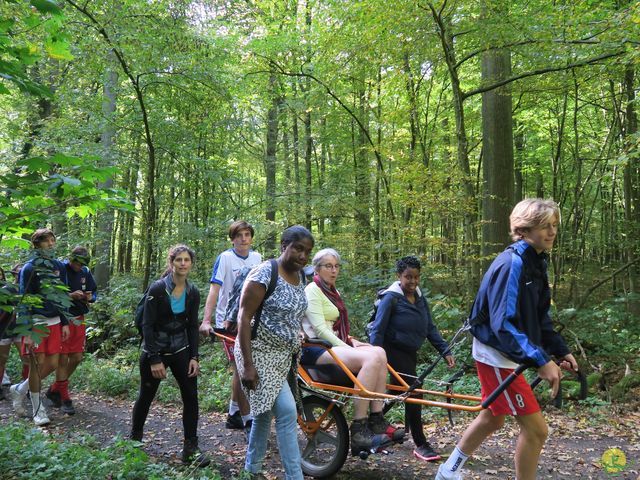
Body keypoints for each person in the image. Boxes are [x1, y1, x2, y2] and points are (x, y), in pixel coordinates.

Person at [435, 198, 578, 480]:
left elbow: (539, 318)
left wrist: (560, 351)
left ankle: (448, 471)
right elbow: (504, 325)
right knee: (537, 431)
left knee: (493, 417)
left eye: (554, 226)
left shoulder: (535, 261)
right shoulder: (512, 263)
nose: (552, 232)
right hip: (496, 352)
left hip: (507, 352)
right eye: (545, 226)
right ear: (523, 229)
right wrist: (541, 360)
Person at [301, 248, 404, 454]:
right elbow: (320, 328)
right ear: (317, 269)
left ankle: (377, 419)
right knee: (370, 359)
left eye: (336, 266)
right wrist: (348, 348)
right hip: (315, 347)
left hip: (332, 343)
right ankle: (358, 427)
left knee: (379, 352)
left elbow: (337, 327)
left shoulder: (332, 291)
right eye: (328, 266)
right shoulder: (312, 289)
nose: (334, 270)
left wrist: (352, 343)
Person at [235, 225, 314, 480]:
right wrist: (247, 365)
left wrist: (298, 331)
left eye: (307, 252)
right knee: (288, 413)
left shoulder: (301, 277)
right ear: (284, 246)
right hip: (257, 353)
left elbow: (291, 312)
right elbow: (244, 317)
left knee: (264, 413)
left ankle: (251, 470)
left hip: (283, 357)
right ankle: (295, 476)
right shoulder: (265, 273)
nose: (303, 256)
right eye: (298, 249)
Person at [130, 244, 210, 467]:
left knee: (191, 397)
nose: (183, 264)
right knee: (146, 396)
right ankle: (134, 441)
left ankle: (191, 449)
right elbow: (147, 324)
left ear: (191, 264)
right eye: (179, 260)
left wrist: (195, 357)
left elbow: (192, 327)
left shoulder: (193, 291)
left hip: (182, 350)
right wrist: (154, 358)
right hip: (155, 351)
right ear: (171, 263)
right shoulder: (157, 289)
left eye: (187, 260)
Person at [369, 255, 455, 462]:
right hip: (390, 352)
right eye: (408, 277)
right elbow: (378, 330)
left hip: (409, 353)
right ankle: (420, 443)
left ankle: (372, 423)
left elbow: (429, 327)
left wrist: (445, 350)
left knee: (398, 392)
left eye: (416, 277)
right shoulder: (391, 298)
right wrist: (375, 358)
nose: (413, 281)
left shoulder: (419, 297)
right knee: (414, 391)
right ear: (399, 276)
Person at [199, 220, 261, 434]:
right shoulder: (225, 259)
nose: (244, 239)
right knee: (241, 366)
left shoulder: (257, 258)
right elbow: (214, 290)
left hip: (251, 321)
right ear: (232, 238)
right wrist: (207, 320)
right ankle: (247, 418)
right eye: (239, 235)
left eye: (247, 234)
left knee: (242, 366)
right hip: (228, 322)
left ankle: (234, 413)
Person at [10, 228, 70, 426]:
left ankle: (20, 389)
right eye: (47, 241)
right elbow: (24, 301)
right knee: (37, 364)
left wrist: (65, 322)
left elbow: (63, 296)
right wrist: (26, 331)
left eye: (53, 240)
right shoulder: (29, 268)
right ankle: (37, 409)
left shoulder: (59, 266)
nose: (51, 244)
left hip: (54, 322)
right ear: (37, 244)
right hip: (36, 323)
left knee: (52, 364)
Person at [46, 246, 97, 415]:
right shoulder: (61, 269)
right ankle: (65, 398)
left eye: (83, 263)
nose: (79, 266)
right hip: (63, 318)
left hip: (79, 318)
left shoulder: (86, 272)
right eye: (77, 262)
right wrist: (70, 296)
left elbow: (93, 291)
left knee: (76, 357)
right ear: (71, 259)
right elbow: (52, 295)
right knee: (63, 358)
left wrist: (90, 297)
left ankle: (55, 388)